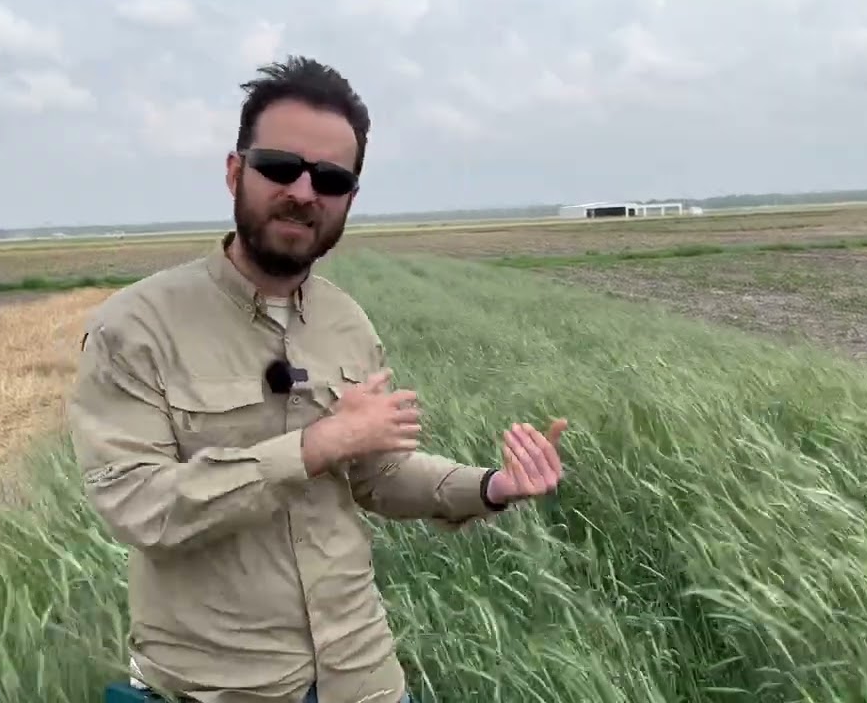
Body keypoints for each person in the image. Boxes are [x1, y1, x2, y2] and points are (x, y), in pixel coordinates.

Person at [66, 55, 568, 703]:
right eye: (281, 166)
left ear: (348, 201)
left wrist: (493, 486)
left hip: (363, 677)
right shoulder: (134, 327)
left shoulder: (346, 323)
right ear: (234, 172)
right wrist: (316, 446)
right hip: (218, 689)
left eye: (329, 179)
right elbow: (139, 506)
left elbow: (379, 476)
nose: (304, 191)